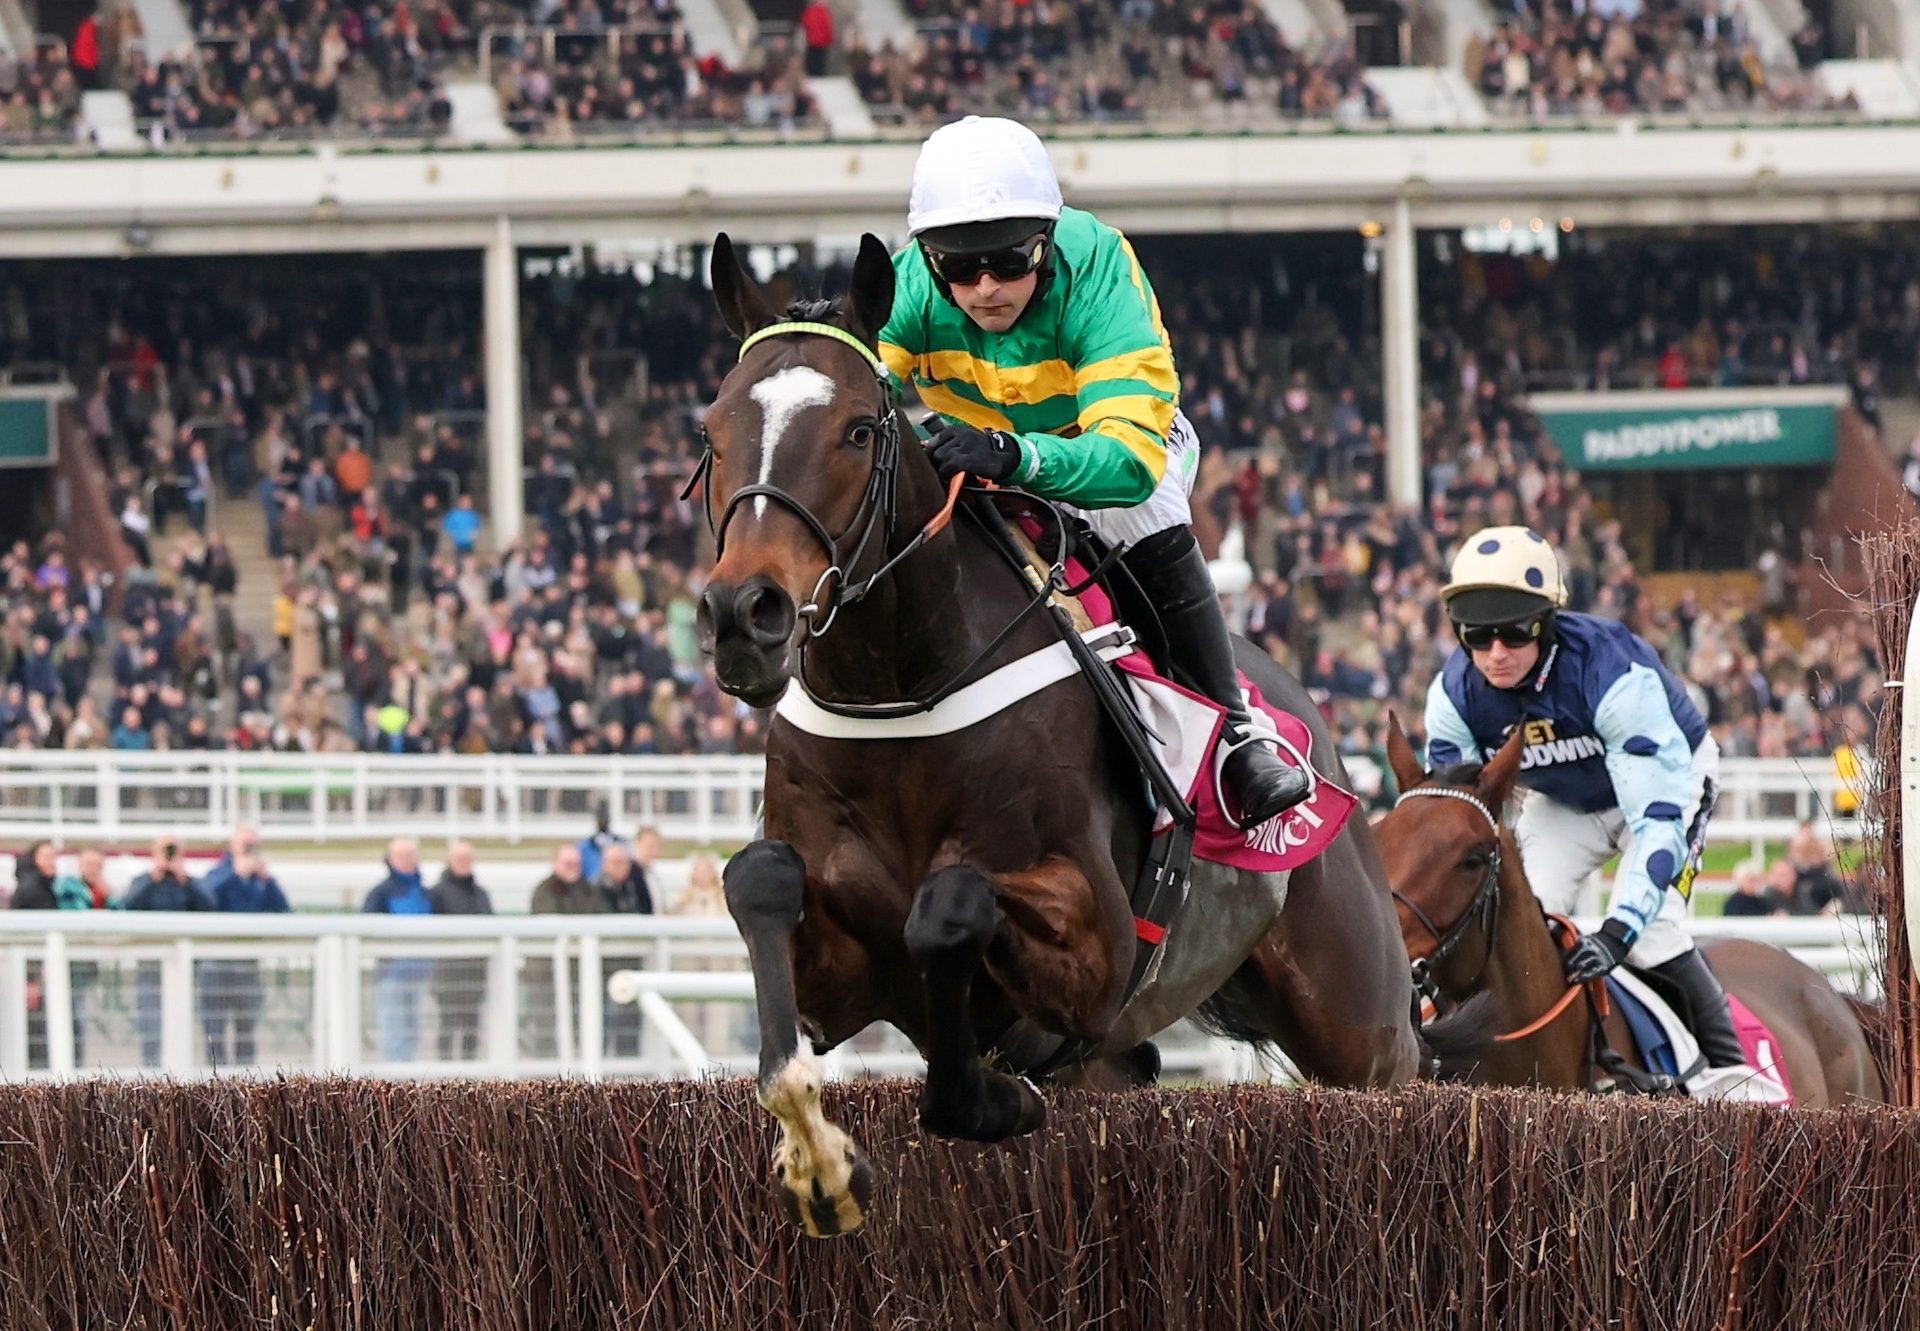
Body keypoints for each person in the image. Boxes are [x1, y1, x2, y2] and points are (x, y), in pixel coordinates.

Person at [876, 115, 1308, 828]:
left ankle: (1236, 732)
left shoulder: (1100, 265)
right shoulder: (912, 283)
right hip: (987, 466)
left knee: (1139, 509)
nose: (984, 287)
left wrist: (1016, 455)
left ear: (1045, 243)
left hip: (1119, 457)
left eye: (1009, 262)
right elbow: (858, 388)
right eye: (960, 266)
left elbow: (1129, 464)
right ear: (928, 257)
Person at [1423, 526, 1771, 1095]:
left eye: (1513, 633)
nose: (1496, 654)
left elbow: (1655, 822)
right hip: (1566, 800)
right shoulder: (1452, 699)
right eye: (1477, 638)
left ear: (1547, 621)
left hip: (1667, 783)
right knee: (1520, 922)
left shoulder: (1612, 671)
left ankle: (1736, 1070)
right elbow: (1456, 827)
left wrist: (1615, 933)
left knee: (1651, 929)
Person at [198, 826, 290, 1067]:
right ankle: (216, 1080)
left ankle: (244, 1081)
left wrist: (267, 880)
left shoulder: (259, 881)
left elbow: (283, 910)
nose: (250, 849)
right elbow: (205, 898)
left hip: (247, 964)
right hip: (217, 963)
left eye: (253, 844)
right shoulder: (219, 873)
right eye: (245, 844)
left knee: (246, 1029)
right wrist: (234, 873)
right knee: (214, 1028)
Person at [125, 837, 214, 1064]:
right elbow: (127, 906)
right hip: (150, 964)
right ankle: (151, 1068)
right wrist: (153, 879)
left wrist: (185, 880)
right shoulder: (143, 881)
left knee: (181, 1018)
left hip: (183, 965)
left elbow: (210, 906)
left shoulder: (189, 883)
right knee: (150, 1020)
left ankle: (179, 1069)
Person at [361, 837, 432, 1063]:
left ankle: (407, 1079)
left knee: (412, 1030)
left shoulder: (424, 891)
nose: (408, 860)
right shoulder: (381, 893)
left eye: (411, 855)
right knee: (394, 1030)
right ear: (391, 860)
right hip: (392, 971)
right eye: (402, 856)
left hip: (419, 970)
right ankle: (393, 1082)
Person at [527, 843, 600, 1059]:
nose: (572, 868)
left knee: (581, 1028)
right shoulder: (544, 891)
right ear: (556, 864)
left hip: (579, 973)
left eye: (576, 863)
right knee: (546, 1028)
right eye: (568, 863)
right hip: (545, 975)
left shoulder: (588, 889)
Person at [427, 840, 494, 1061]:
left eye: (468, 859)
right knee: (447, 1023)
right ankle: (444, 1076)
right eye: (460, 859)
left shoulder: (480, 893)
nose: (465, 864)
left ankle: (469, 1076)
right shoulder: (437, 893)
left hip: (474, 972)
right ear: (449, 862)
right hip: (448, 972)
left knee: (471, 1026)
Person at [577, 801, 630, 882]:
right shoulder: (585, 847)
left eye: (605, 816)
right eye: (600, 816)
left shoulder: (622, 844)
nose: (603, 819)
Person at [1722, 858, 1789, 918]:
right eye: (1751, 880)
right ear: (1740, 881)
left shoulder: (1763, 901)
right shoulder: (1733, 903)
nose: (1755, 883)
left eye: (1757, 879)